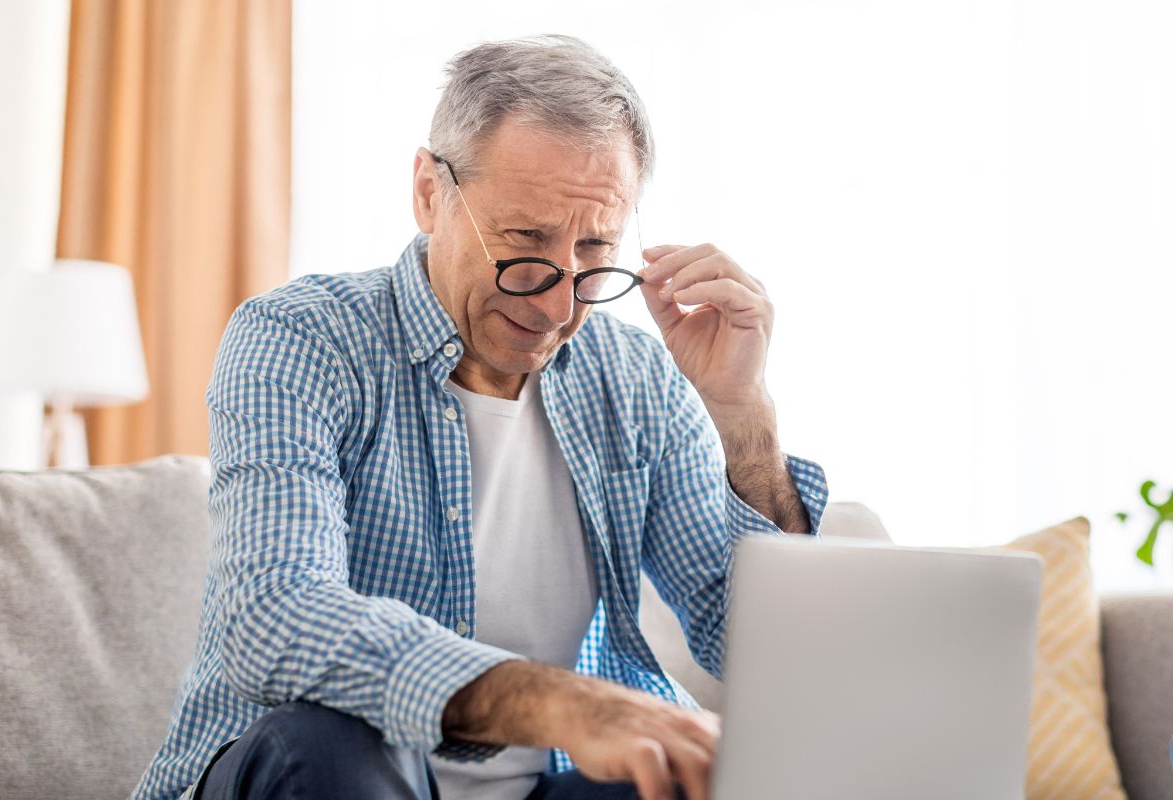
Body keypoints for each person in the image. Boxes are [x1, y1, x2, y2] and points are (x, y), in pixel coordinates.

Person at [131, 34, 827, 800]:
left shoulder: (636, 380)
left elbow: (762, 658)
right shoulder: (301, 338)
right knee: (330, 741)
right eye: (526, 239)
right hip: (323, 776)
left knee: (707, 776)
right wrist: (565, 704)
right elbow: (275, 617)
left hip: (539, 789)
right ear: (429, 193)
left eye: (595, 250)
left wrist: (743, 413)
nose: (558, 305)